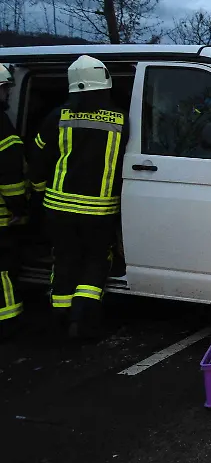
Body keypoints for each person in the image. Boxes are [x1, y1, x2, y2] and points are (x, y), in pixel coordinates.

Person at [29, 55, 129, 342]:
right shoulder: (122, 120)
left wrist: (36, 192)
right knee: (96, 259)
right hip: (99, 210)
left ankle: (59, 316)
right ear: (105, 83)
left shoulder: (57, 116)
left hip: (58, 206)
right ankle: (82, 318)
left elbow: (38, 158)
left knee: (64, 259)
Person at [0, 65, 28, 339]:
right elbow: (10, 178)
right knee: (4, 269)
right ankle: (8, 322)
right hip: (2, 216)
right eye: (5, 87)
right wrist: (19, 209)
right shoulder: (2, 129)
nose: (8, 92)